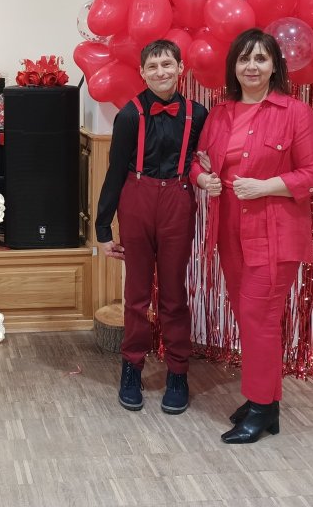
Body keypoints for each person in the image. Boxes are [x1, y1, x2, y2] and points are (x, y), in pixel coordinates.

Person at [191, 28, 313, 444]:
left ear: (274, 66)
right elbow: (199, 162)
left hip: (274, 233)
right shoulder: (220, 113)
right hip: (229, 231)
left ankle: (262, 407)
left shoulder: (295, 113)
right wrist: (203, 180)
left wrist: (266, 186)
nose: (252, 66)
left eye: (261, 59)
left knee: (259, 318)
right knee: (248, 318)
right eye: (244, 58)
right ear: (234, 66)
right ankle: (265, 404)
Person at [96, 39, 208, 414]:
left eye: (167, 64)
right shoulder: (130, 115)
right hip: (137, 198)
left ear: (181, 68)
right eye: (153, 66)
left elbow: (203, 160)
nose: (161, 72)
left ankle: (178, 372)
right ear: (142, 73)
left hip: (178, 199)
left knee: (174, 295)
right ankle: (132, 368)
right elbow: (115, 172)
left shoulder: (198, 114)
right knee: (137, 294)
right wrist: (102, 228)